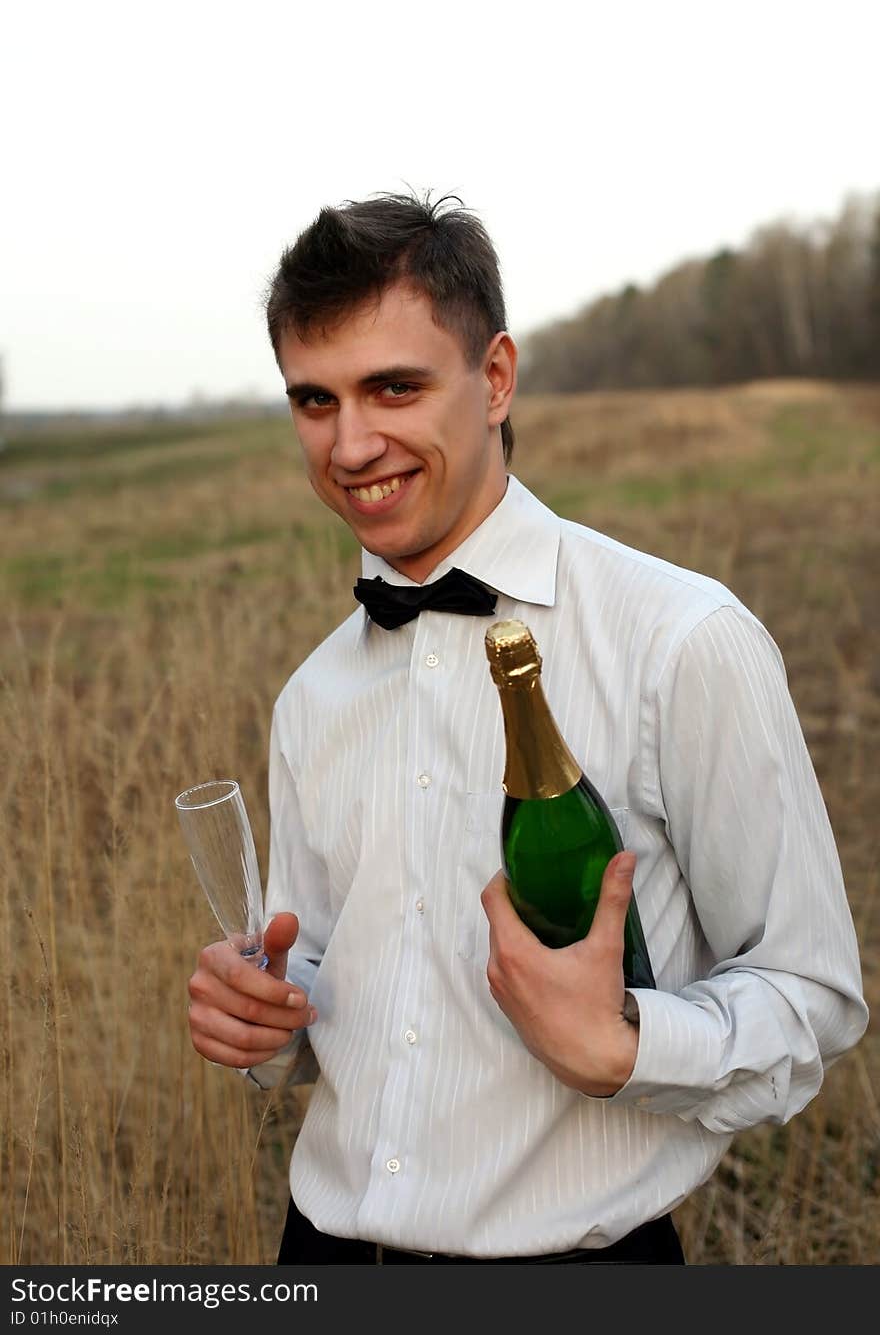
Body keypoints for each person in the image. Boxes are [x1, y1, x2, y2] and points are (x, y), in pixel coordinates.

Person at [187, 190, 868, 1265]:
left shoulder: (681, 640)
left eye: (393, 387)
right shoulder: (311, 695)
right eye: (314, 401)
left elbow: (812, 999)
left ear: (495, 377)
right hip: (317, 1253)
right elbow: (326, 973)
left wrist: (625, 1048)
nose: (351, 445)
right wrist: (265, 1019)